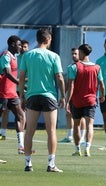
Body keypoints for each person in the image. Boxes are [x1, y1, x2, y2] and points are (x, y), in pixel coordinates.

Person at [19, 28, 65, 172]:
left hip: (32, 95)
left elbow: (21, 77)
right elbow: (59, 77)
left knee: (29, 131)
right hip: (49, 96)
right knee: (51, 131)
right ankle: (51, 164)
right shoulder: (53, 56)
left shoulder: (28, 55)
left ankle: (28, 164)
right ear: (48, 39)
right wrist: (63, 95)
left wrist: (21, 95)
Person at [66, 44, 105, 157]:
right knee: (89, 126)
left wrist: (68, 100)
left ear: (82, 53)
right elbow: (101, 84)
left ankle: (77, 149)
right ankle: (87, 148)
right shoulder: (97, 67)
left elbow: (71, 85)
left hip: (77, 101)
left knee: (76, 125)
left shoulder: (74, 67)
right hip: (91, 100)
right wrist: (102, 95)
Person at [0, 35, 26, 154]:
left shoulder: (15, 57)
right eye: (19, 45)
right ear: (12, 45)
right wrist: (20, 84)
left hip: (12, 94)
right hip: (2, 93)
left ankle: (21, 146)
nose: (20, 47)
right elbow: (8, 73)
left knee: (20, 115)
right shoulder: (5, 55)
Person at [58, 48, 86, 143]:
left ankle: (82, 137)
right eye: (73, 54)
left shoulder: (83, 66)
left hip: (80, 96)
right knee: (68, 113)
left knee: (81, 117)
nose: (74, 55)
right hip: (71, 95)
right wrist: (64, 95)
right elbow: (68, 83)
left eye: (76, 54)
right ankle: (69, 136)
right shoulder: (70, 67)